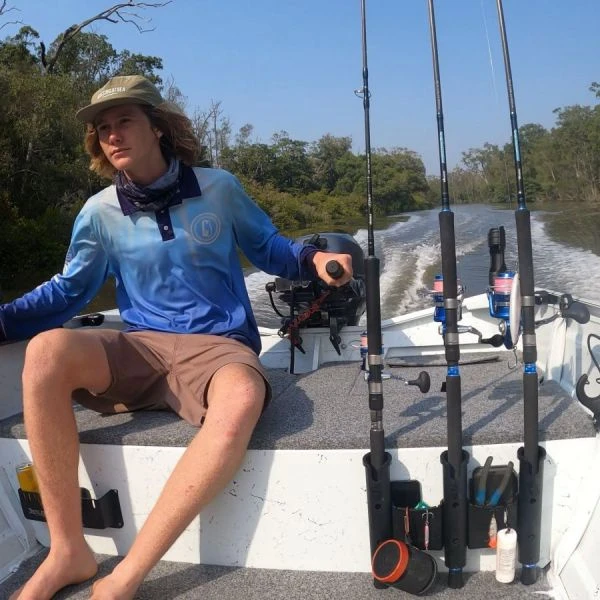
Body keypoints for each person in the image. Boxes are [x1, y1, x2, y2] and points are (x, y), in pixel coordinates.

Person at [1, 75, 353, 600]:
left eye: (124, 121)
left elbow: (270, 248)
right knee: (47, 350)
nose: (112, 135)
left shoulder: (218, 188)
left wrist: (315, 257)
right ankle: (67, 551)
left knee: (242, 396)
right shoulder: (99, 213)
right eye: (102, 128)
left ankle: (127, 575)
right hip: (142, 346)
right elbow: (67, 293)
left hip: (218, 347)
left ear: (158, 127)